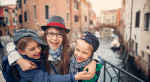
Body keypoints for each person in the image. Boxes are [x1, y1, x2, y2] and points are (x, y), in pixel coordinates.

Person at [6, 15, 101, 78]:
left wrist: (93, 61)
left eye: (59, 34)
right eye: (50, 34)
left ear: (63, 36)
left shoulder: (71, 47)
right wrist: (19, 60)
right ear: (46, 35)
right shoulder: (40, 46)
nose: (54, 38)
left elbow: (89, 49)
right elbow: (11, 45)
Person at [10, 29, 90, 82]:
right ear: (21, 52)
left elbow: (87, 48)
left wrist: (93, 61)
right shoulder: (25, 67)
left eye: (38, 46)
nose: (38, 50)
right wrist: (74, 77)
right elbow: (47, 79)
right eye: (32, 49)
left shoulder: (42, 46)